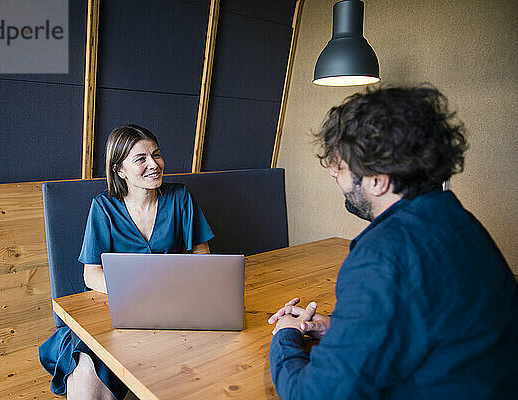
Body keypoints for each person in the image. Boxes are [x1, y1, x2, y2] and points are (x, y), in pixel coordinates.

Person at [268, 85, 518, 399]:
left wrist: (286, 336)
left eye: (340, 165)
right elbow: (430, 324)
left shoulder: (382, 256)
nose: (333, 174)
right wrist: (337, 328)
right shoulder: (459, 222)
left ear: (377, 179)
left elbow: (315, 394)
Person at [39, 124, 214, 400]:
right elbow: (91, 274)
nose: (154, 164)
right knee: (86, 367)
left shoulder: (181, 197)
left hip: (173, 307)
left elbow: (203, 256)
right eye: (141, 159)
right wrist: (136, 294)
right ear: (119, 170)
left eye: (156, 155)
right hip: (115, 309)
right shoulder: (103, 207)